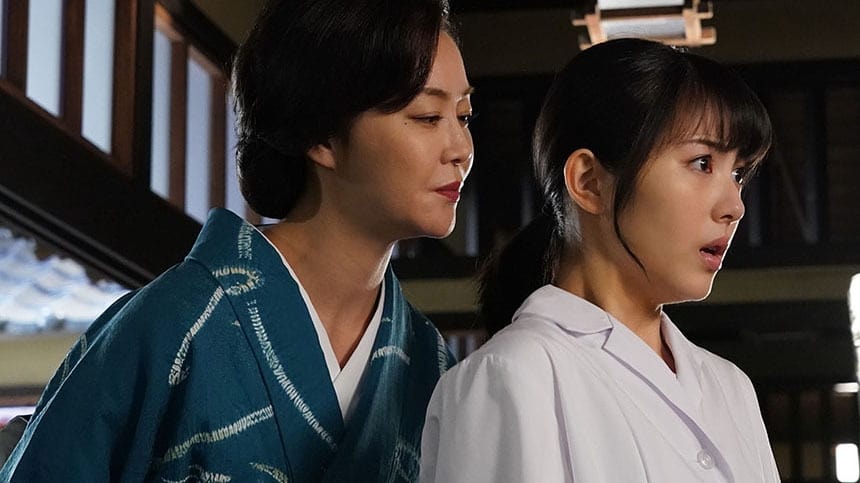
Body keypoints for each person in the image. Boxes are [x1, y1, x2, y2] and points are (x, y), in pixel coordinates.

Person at [1, 0, 474, 480]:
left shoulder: (428, 363)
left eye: (464, 116)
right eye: (428, 117)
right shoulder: (174, 323)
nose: (461, 149)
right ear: (323, 136)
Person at [420, 38, 780, 483]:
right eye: (702, 162)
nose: (735, 207)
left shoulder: (730, 387)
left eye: (739, 173)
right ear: (589, 181)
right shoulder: (513, 376)